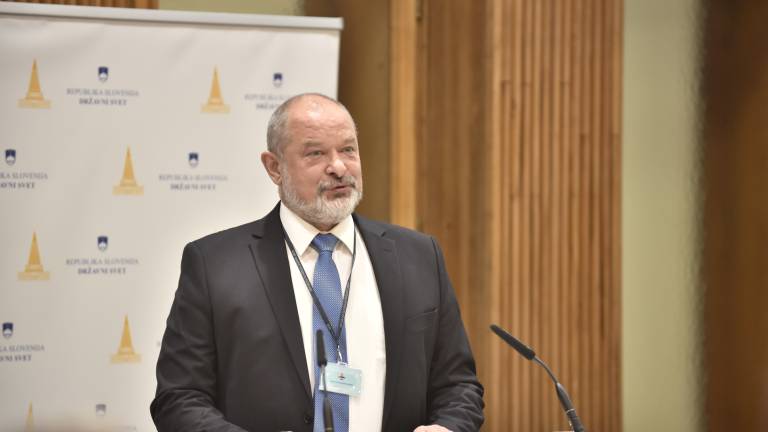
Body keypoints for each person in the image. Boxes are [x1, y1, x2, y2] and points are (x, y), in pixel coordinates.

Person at [150, 93, 484, 432]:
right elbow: (179, 398)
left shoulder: (418, 256)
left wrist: (447, 428)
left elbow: (459, 387)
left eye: (348, 149)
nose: (338, 167)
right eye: (316, 153)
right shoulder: (215, 265)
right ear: (274, 167)